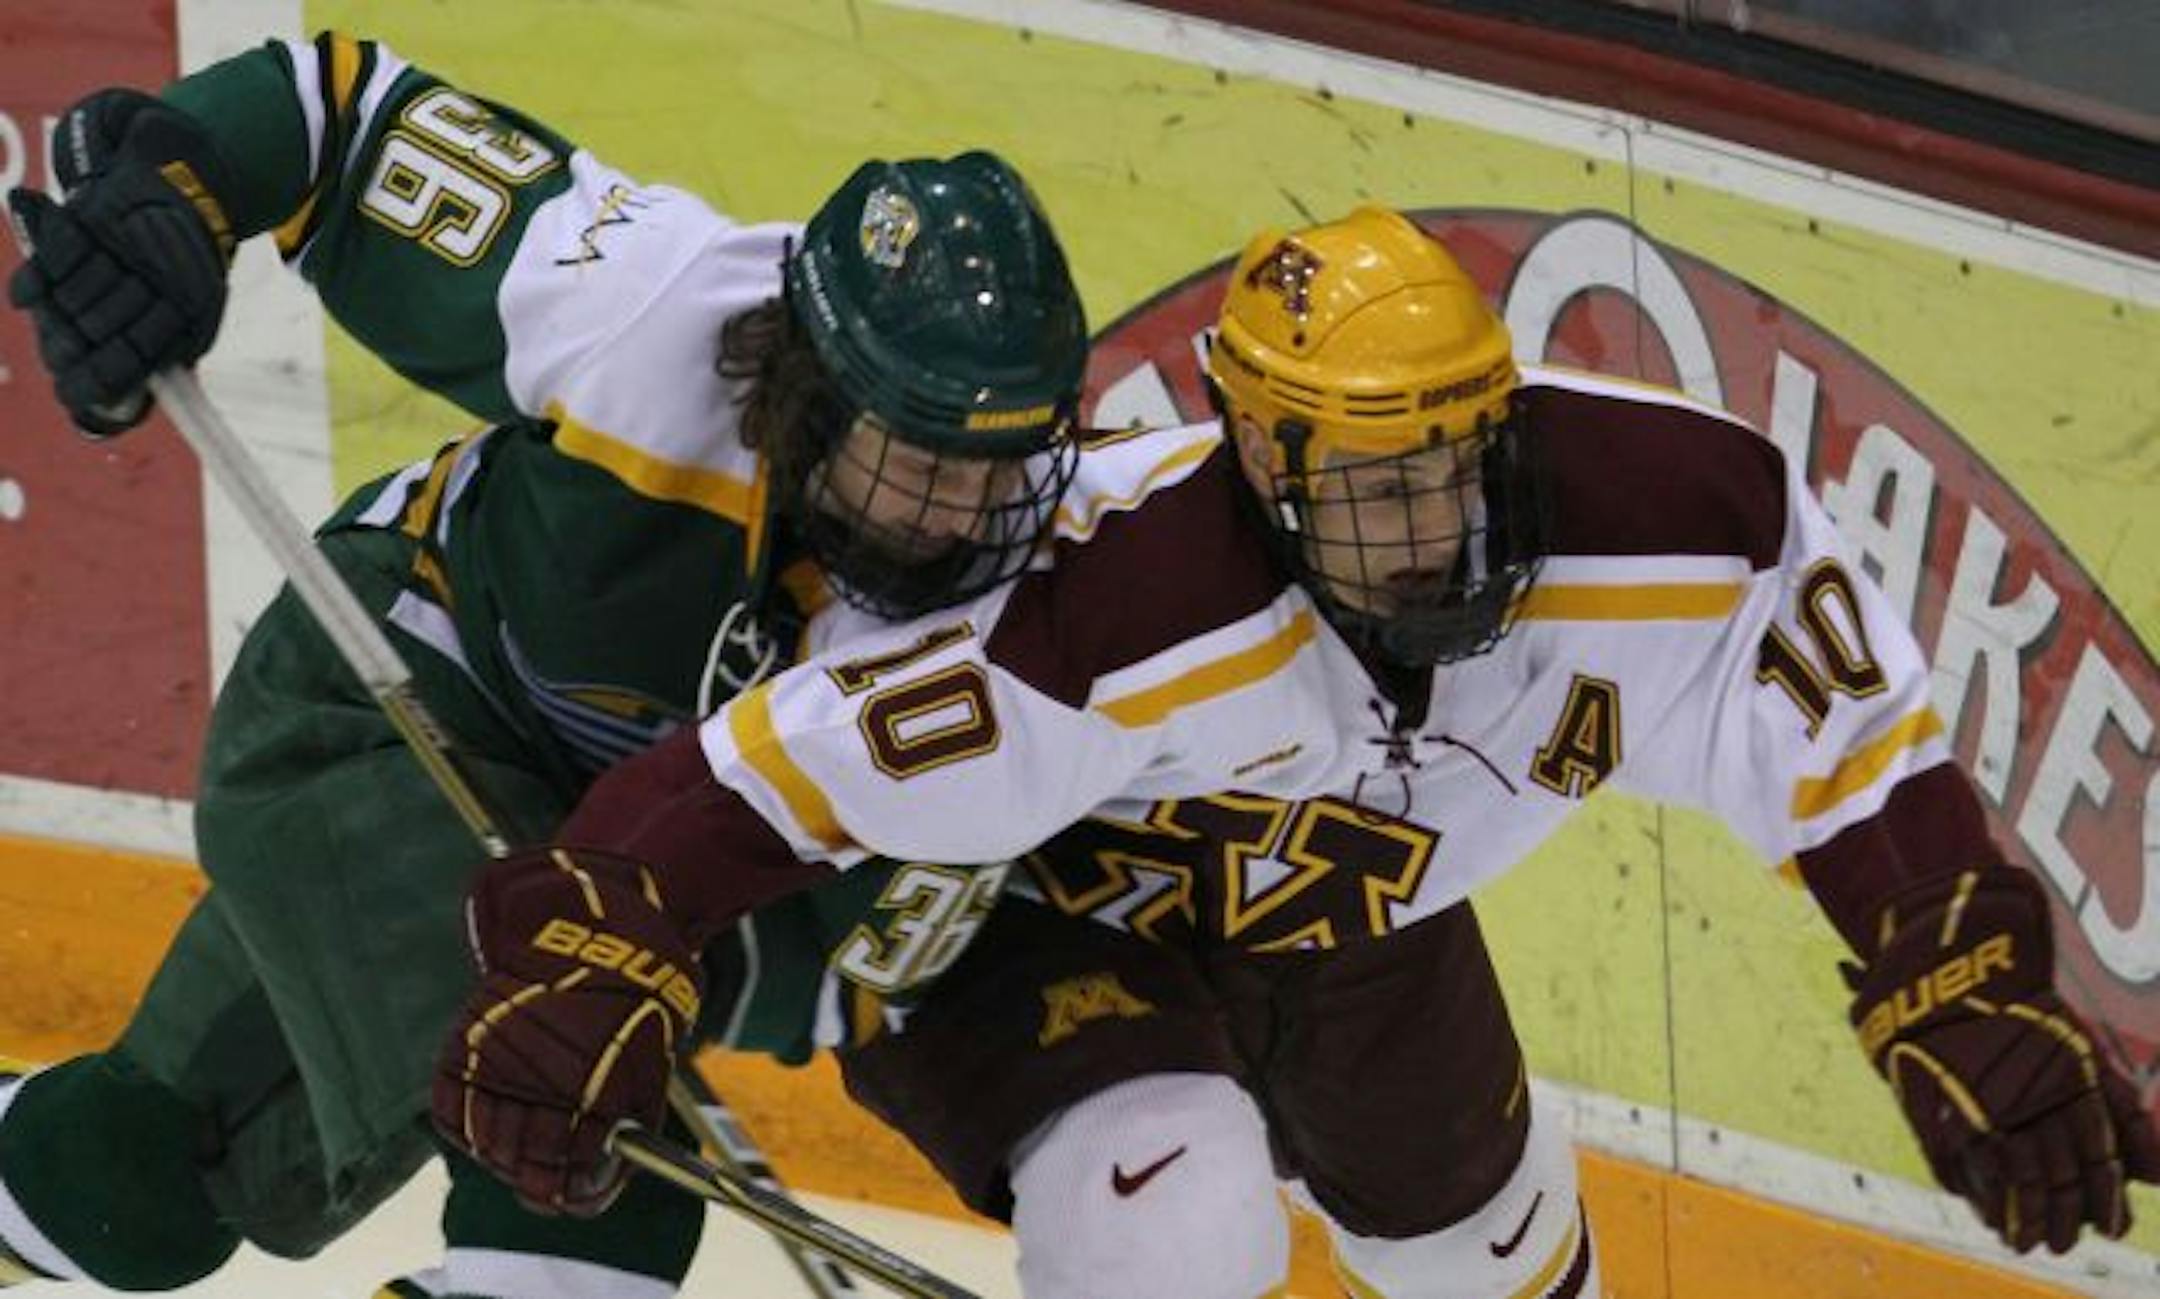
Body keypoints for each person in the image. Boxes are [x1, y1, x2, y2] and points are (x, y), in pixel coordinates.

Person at [433, 205, 2160, 1297]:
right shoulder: (1115, 611)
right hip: (1065, 923)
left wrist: (1956, 974)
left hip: (1362, 910)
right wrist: (602, 926)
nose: (1437, 527)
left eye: (1458, 461)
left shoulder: (1684, 520)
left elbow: (1853, 747)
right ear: (1262, 461)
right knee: (1173, 1228)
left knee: (1489, 1258)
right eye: (1372, 484)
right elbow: (770, 772)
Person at [0, 29, 1093, 1295]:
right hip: (388, 711)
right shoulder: (651, 308)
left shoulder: (1040, 608)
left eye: (1004, 461)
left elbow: (861, 967)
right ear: (820, 390)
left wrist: (647, 952)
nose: (968, 513)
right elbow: (332, 114)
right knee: (580, 1166)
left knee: (133, 1186)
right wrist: (175, 195)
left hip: (616, 866)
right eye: (926, 463)